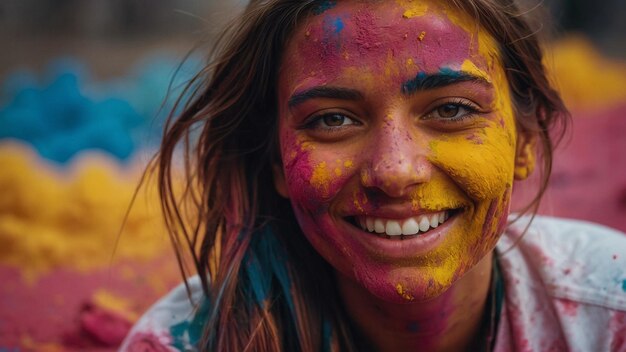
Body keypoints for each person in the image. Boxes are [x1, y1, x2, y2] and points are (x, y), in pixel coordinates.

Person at [121, 0, 626, 351]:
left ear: (525, 143)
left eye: (450, 109)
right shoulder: (179, 343)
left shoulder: (612, 316)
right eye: (333, 119)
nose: (395, 171)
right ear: (275, 160)